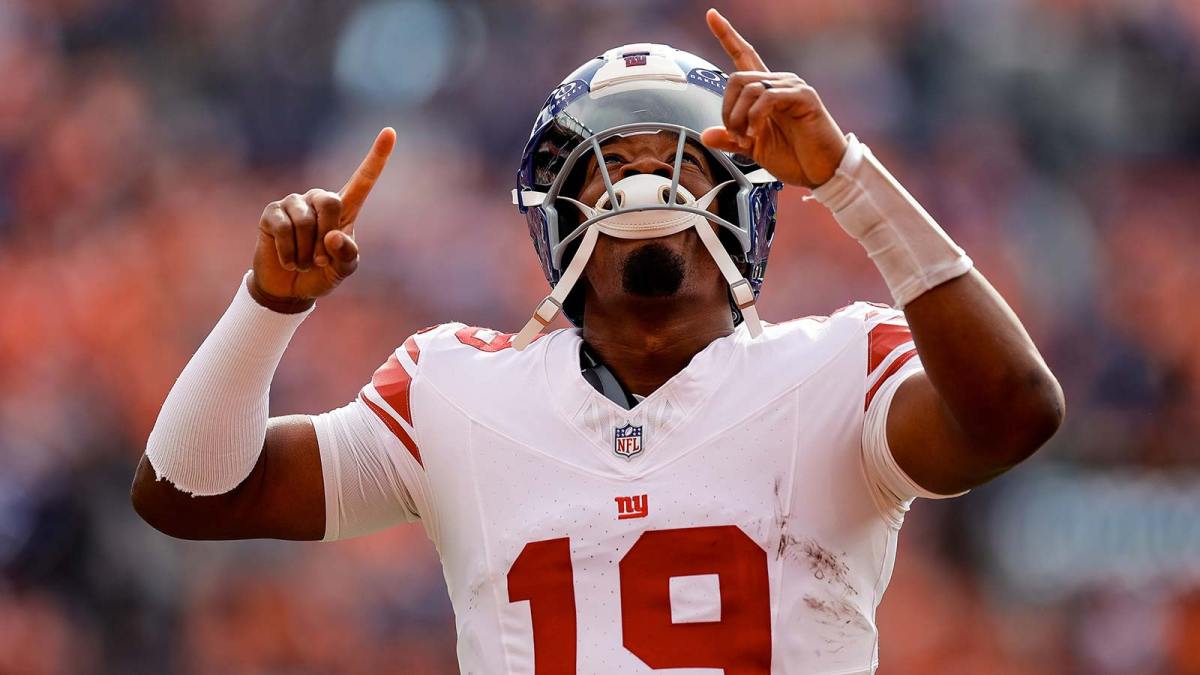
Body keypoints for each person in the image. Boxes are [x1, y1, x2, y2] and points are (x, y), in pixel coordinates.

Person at [131, 10, 1064, 673]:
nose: (645, 181)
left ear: (747, 204)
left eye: (677, 159)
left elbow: (1015, 411)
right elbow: (188, 493)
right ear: (556, 214)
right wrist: (266, 304)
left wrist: (849, 177)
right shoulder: (455, 388)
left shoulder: (834, 368)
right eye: (610, 163)